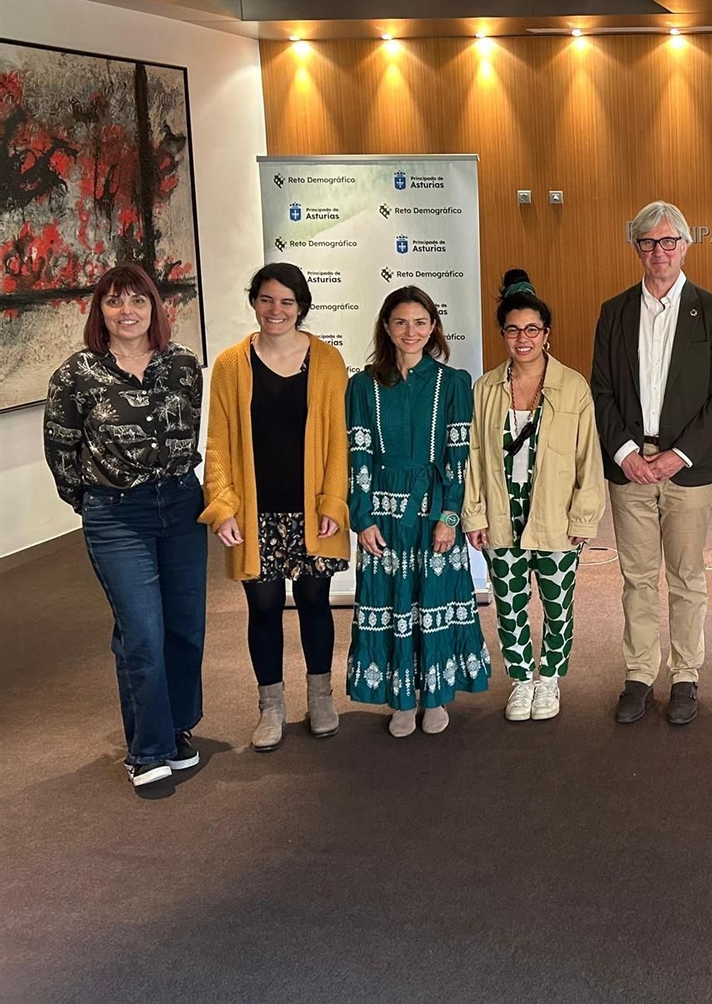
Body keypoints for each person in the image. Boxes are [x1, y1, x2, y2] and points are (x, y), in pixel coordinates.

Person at [43, 265, 207, 789]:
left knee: (185, 626)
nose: (128, 310)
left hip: (181, 506)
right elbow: (60, 449)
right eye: (115, 302)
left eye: (138, 299)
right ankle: (148, 749)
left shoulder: (182, 365)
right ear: (101, 312)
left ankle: (177, 728)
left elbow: (194, 431)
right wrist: (91, 501)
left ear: (155, 308)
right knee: (141, 631)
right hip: (117, 514)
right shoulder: (77, 374)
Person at [591, 201, 712, 726]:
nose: (659, 252)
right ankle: (638, 674)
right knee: (637, 577)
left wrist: (677, 455)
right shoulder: (614, 311)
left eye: (669, 241)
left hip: (688, 470)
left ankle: (685, 675)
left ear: (685, 246)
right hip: (629, 467)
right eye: (648, 242)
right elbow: (601, 392)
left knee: (686, 575)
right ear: (636, 248)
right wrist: (628, 454)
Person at [200, 264, 350, 751]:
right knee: (262, 607)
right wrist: (221, 505)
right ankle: (271, 706)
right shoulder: (230, 364)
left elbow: (338, 441)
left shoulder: (327, 361)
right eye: (267, 300)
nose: (276, 310)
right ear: (254, 303)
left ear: (301, 306)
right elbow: (218, 442)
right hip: (255, 513)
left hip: (311, 511)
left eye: (287, 302)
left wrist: (333, 500)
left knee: (313, 602)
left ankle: (321, 697)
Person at [345, 285, 490, 737]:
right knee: (390, 603)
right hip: (384, 514)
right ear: (387, 327)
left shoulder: (454, 382)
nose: (412, 331)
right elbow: (358, 454)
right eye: (402, 322)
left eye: (421, 322)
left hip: (432, 512)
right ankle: (400, 701)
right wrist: (362, 516)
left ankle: (435, 696)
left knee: (434, 601)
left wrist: (450, 515)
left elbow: (458, 454)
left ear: (434, 328)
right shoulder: (362, 385)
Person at [464, 271, 605, 723]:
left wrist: (584, 518)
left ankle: (549, 679)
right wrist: (474, 514)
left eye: (532, 330)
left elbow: (589, 459)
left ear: (547, 334)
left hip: (555, 513)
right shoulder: (485, 388)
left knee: (557, 602)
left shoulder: (573, 386)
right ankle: (521, 679)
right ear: (502, 333)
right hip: (503, 513)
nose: (522, 339)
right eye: (512, 329)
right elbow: (473, 456)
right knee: (508, 601)